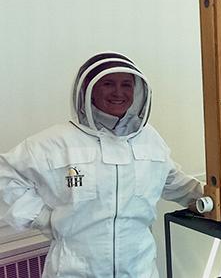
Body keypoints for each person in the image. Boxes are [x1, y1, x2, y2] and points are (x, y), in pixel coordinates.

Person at [0, 52, 203, 277]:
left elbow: (173, 181)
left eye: (126, 84)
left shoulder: (149, 138)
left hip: (139, 268)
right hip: (74, 270)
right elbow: (6, 175)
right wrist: (44, 219)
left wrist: (217, 198)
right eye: (108, 83)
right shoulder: (57, 142)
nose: (119, 92)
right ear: (89, 88)